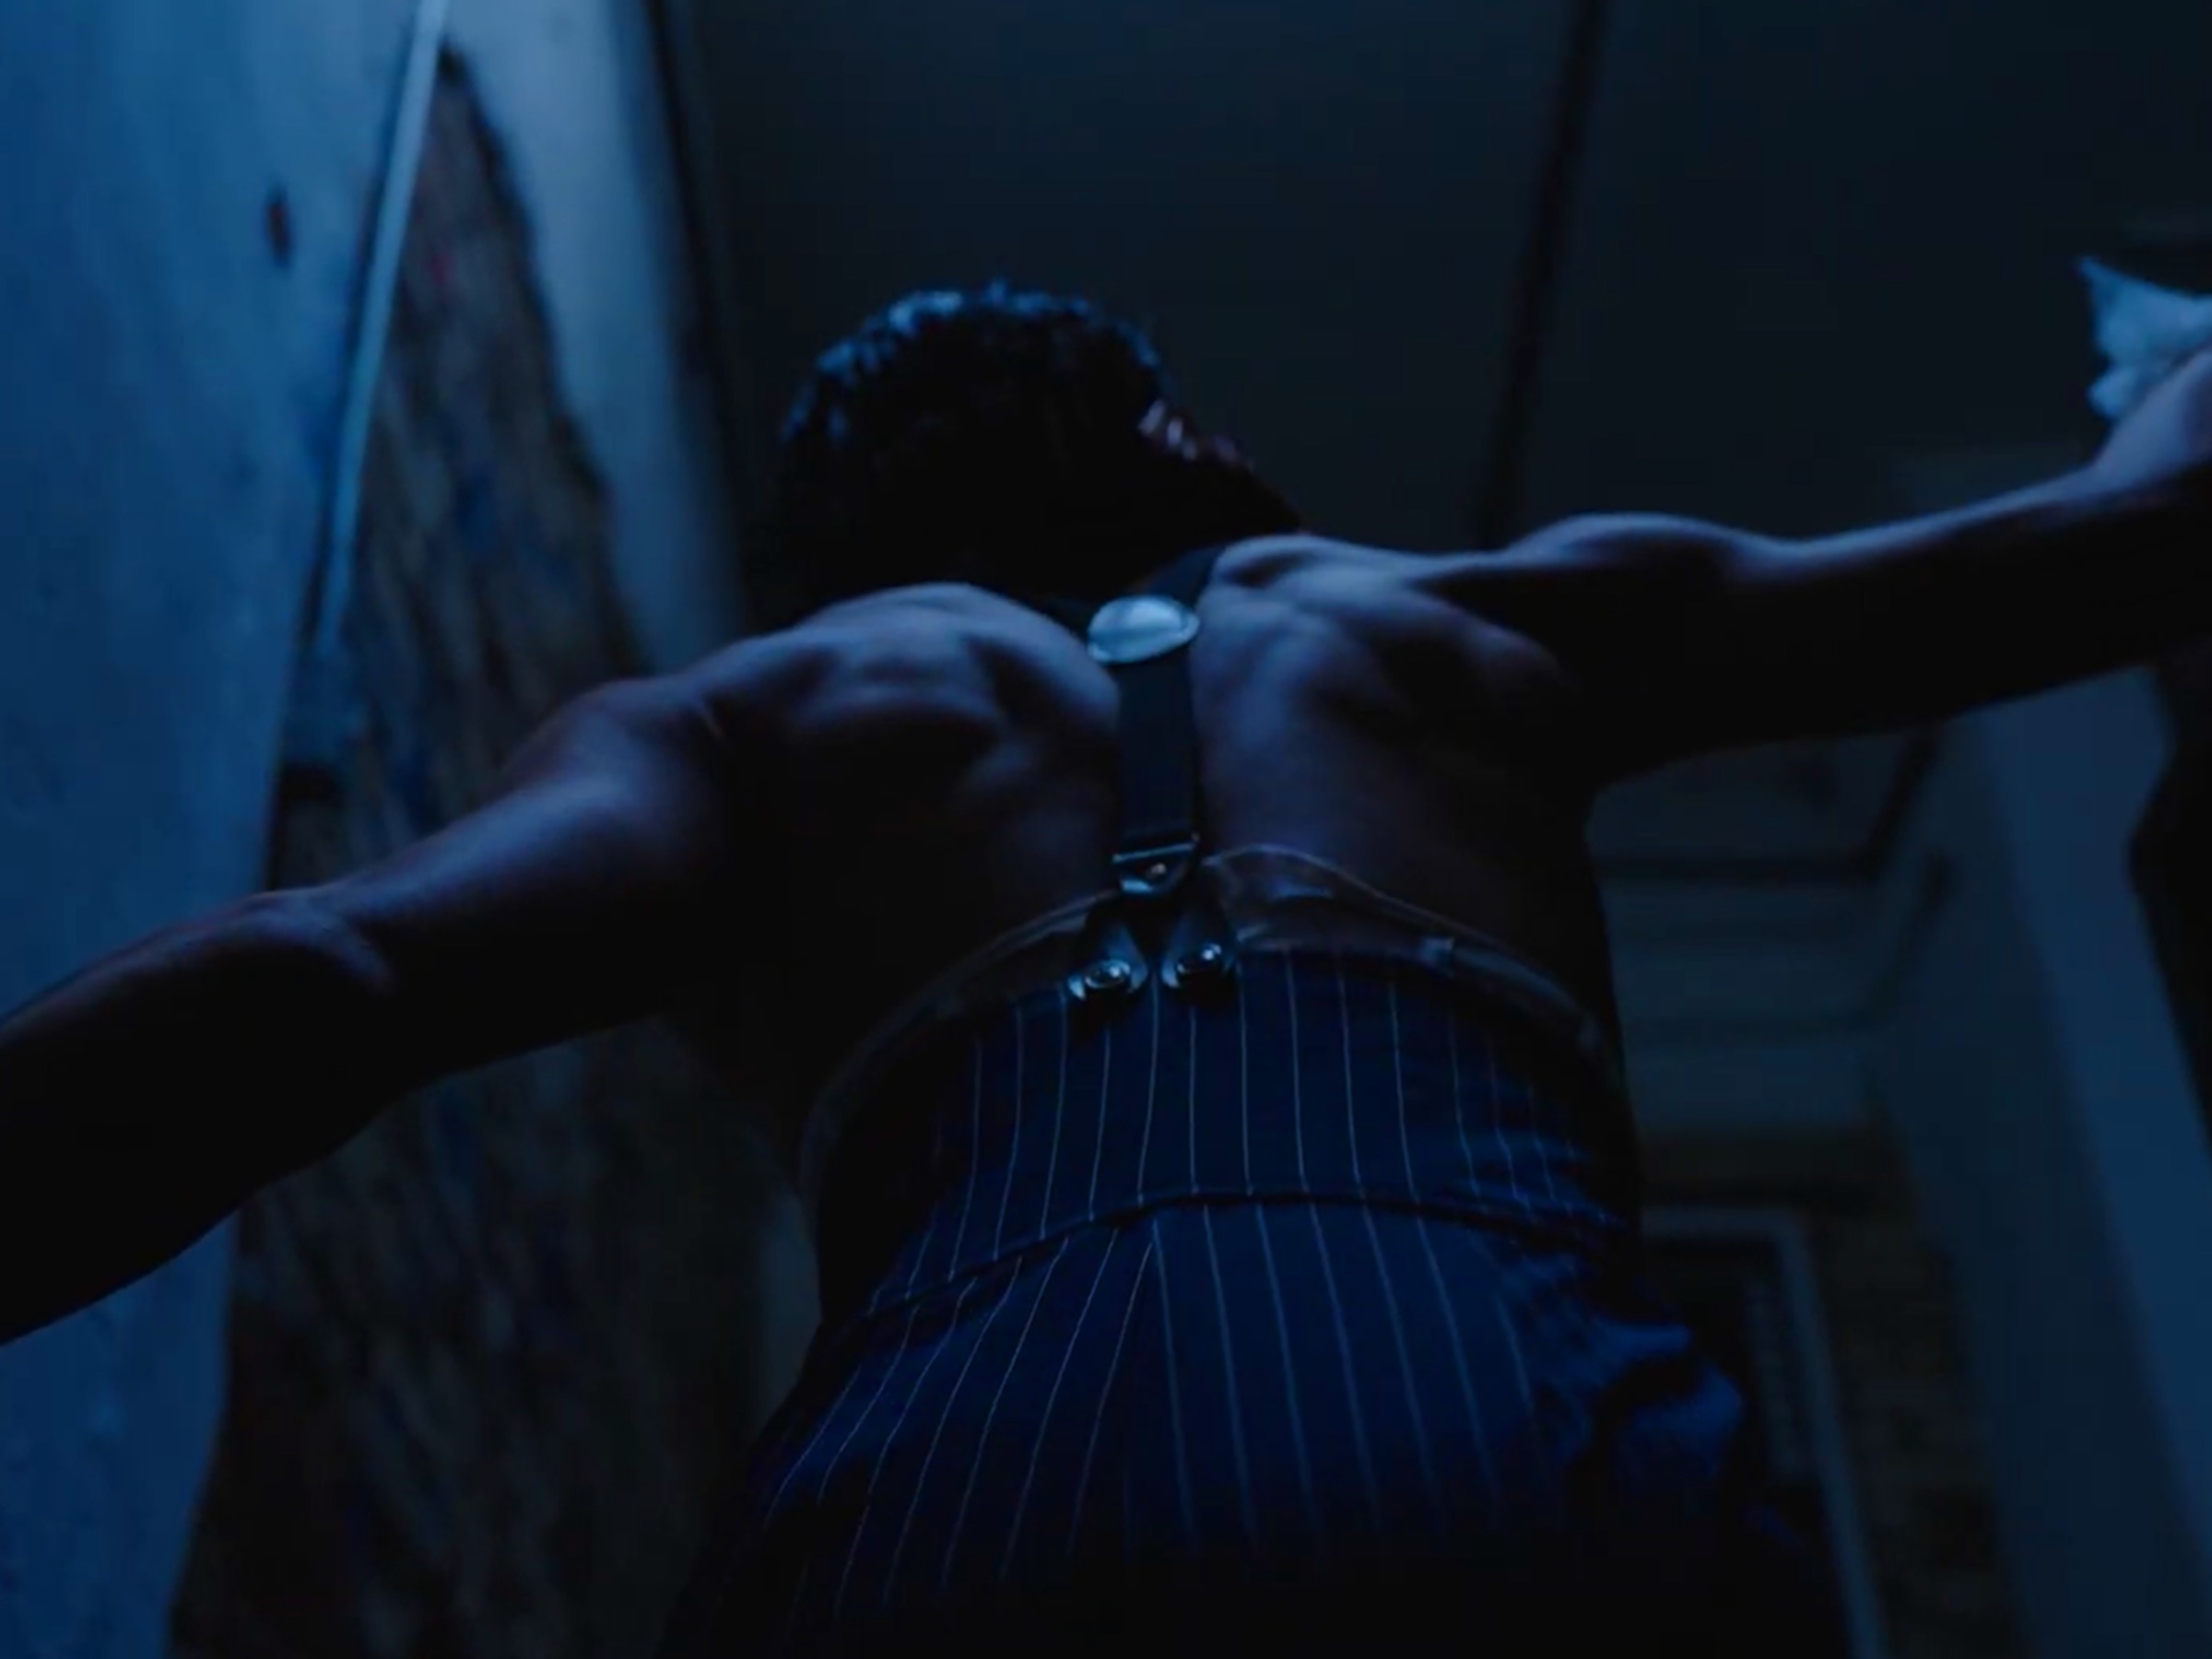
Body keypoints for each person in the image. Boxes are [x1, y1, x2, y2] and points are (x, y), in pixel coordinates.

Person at [2, 282, 2207, 1654]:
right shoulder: (1458, 621)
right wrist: (2180, 352)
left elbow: (327, 979)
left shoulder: (756, 721)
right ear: (1163, 439)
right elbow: (2122, 550)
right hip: (1494, 1402)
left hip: (947, 1473)